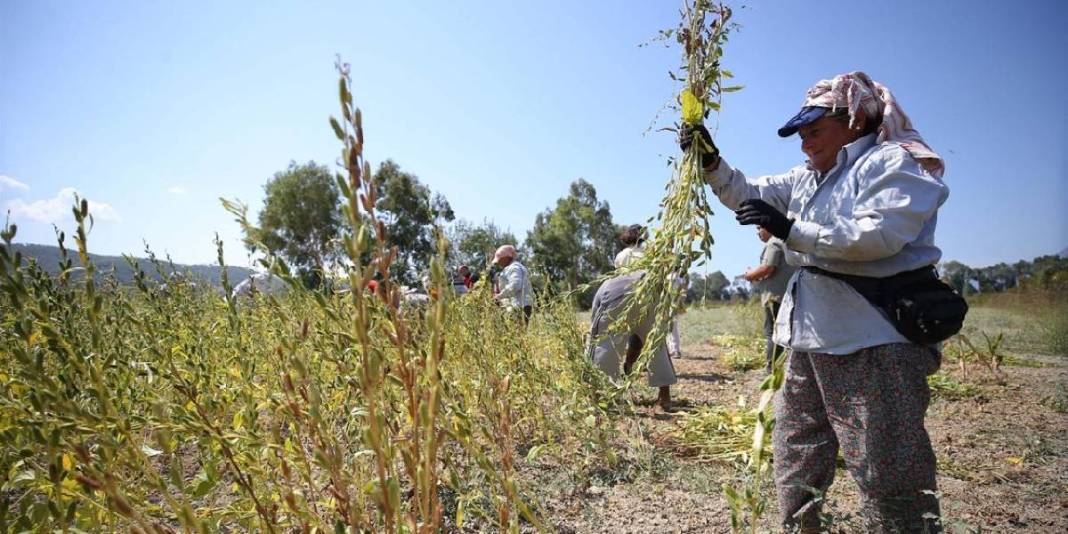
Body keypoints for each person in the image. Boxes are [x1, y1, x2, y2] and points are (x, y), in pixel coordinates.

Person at [681, 71, 947, 532]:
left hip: (873, 341)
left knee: (886, 467)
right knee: (797, 454)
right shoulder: (807, 178)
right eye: (801, 135)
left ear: (855, 120)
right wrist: (709, 160)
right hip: (809, 341)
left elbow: (879, 235)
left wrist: (790, 230)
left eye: (814, 131)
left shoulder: (894, 165)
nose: (805, 144)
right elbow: (748, 193)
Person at [588, 271, 677, 411]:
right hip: (651, 292)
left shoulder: (609, 282)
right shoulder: (647, 273)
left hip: (616, 296)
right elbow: (640, 336)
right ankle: (665, 398)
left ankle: (597, 397)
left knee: (603, 344)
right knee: (656, 344)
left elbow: (595, 333)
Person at [615, 224, 685, 359]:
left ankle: (631, 356)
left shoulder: (620, 256)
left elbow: (618, 276)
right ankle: (652, 355)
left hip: (628, 294)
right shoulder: (649, 252)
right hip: (646, 293)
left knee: (631, 326)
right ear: (642, 236)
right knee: (651, 326)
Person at [742, 227, 795, 373]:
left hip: (775, 297)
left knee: (773, 334)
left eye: (760, 228)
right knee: (782, 333)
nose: (757, 232)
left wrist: (749, 275)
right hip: (785, 296)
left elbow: (767, 268)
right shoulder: (786, 242)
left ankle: (772, 370)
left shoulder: (774, 243)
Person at [492, 245, 534, 323]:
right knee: (519, 332)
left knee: (517, 332)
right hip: (521, 304)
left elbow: (515, 285)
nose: (498, 262)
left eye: (499, 259)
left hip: (518, 305)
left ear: (506, 257)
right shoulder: (516, 267)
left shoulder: (514, 268)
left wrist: (499, 296)